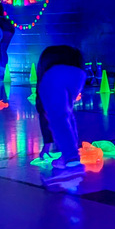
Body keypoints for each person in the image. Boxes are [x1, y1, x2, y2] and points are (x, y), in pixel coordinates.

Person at [35, 45, 87, 185]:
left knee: (58, 118)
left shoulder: (47, 71)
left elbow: (42, 108)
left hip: (56, 75)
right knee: (68, 116)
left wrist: (47, 144)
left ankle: (72, 163)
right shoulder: (65, 55)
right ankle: (68, 157)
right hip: (79, 74)